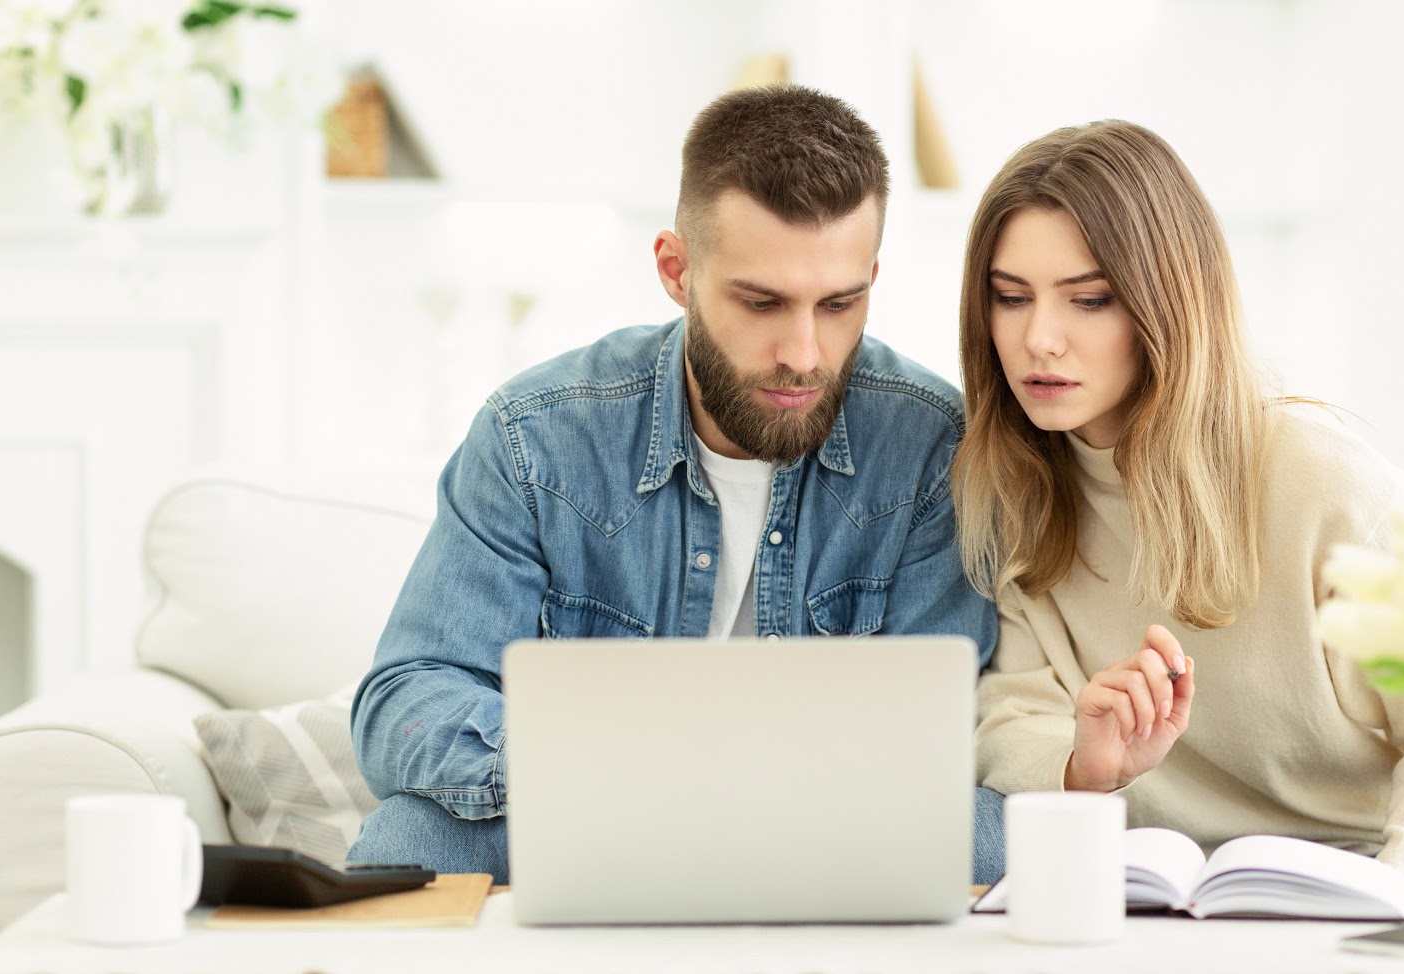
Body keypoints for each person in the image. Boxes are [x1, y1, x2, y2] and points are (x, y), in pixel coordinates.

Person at [348, 84, 1002, 885]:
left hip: (828, 830)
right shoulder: (535, 436)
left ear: (872, 275)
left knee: (1003, 835)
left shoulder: (934, 445)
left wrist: (745, 799)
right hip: (599, 813)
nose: (804, 352)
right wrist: (621, 773)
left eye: (839, 303)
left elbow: (933, 740)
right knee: (408, 838)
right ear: (675, 269)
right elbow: (405, 701)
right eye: (761, 302)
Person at [953, 119, 1404, 883]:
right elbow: (1011, 722)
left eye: (1089, 300)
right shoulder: (1013, 488)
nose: (1038, 338)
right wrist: (1086, 766)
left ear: (1165, 304)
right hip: (1166, 898)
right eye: (1011, 298)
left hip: (1378, 879)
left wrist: (1399, 897)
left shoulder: (1319, 478)